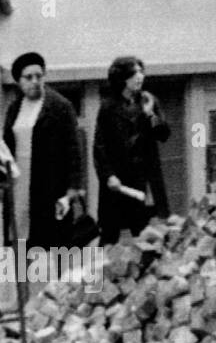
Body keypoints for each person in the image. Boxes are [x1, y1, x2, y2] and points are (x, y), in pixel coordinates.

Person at [3, 52, 81, 249]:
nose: (35, 81)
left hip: (48, 184)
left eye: (39, 76)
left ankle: (47, 279)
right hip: (18, 182)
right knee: (18, 234)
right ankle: (22, 278)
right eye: (28, 77)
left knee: (48, 239)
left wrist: (71, 190)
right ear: (19, 81)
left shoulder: (60, 106)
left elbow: (73, 151)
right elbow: (6, 146)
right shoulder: (14, 108)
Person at [93, 56, 171, 244]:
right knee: (110, 233)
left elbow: (164, 135)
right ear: (122, 78)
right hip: (118, 180)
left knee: (143, 232)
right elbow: (99, 146)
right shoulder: (108, 107)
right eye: (134, 73)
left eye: (141, 72)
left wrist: (150, 113)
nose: (140, 77)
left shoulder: (148, 101)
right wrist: (108, 175)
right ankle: (104, 271)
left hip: (142, 178)